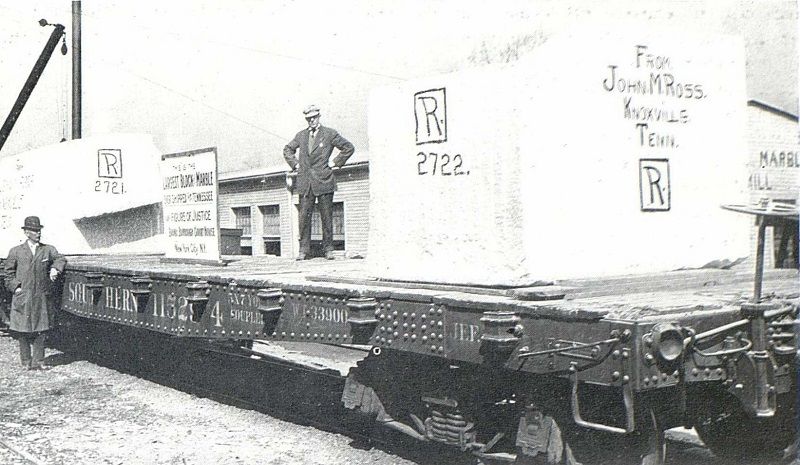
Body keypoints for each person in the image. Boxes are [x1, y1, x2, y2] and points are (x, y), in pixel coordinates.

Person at [283, 105, 354, 260]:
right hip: (305, 182)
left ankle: (329, 249)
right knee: (304, 217)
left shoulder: (329, 133)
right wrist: (295, 164)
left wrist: (336, 162)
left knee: (327, 216)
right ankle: (303, 250)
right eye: (308, 119)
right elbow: (287, 149)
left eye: (314, 118)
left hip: (324, 180)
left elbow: (348, 147)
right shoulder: (301, 135)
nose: (311, 121)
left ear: (319, 117)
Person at [4, 216, 66, 370]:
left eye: (39, 230)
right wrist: (16, 288)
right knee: (22, 330)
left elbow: (60, 258)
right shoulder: (16, 251)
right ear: (26, 232)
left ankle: (38, 361)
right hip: (23, 296)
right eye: (34, 231)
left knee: (41, 330)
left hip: (40, 297)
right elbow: (8, 274)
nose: (38, 233)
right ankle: (26, 361)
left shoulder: (47, 250)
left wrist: (55, 268)